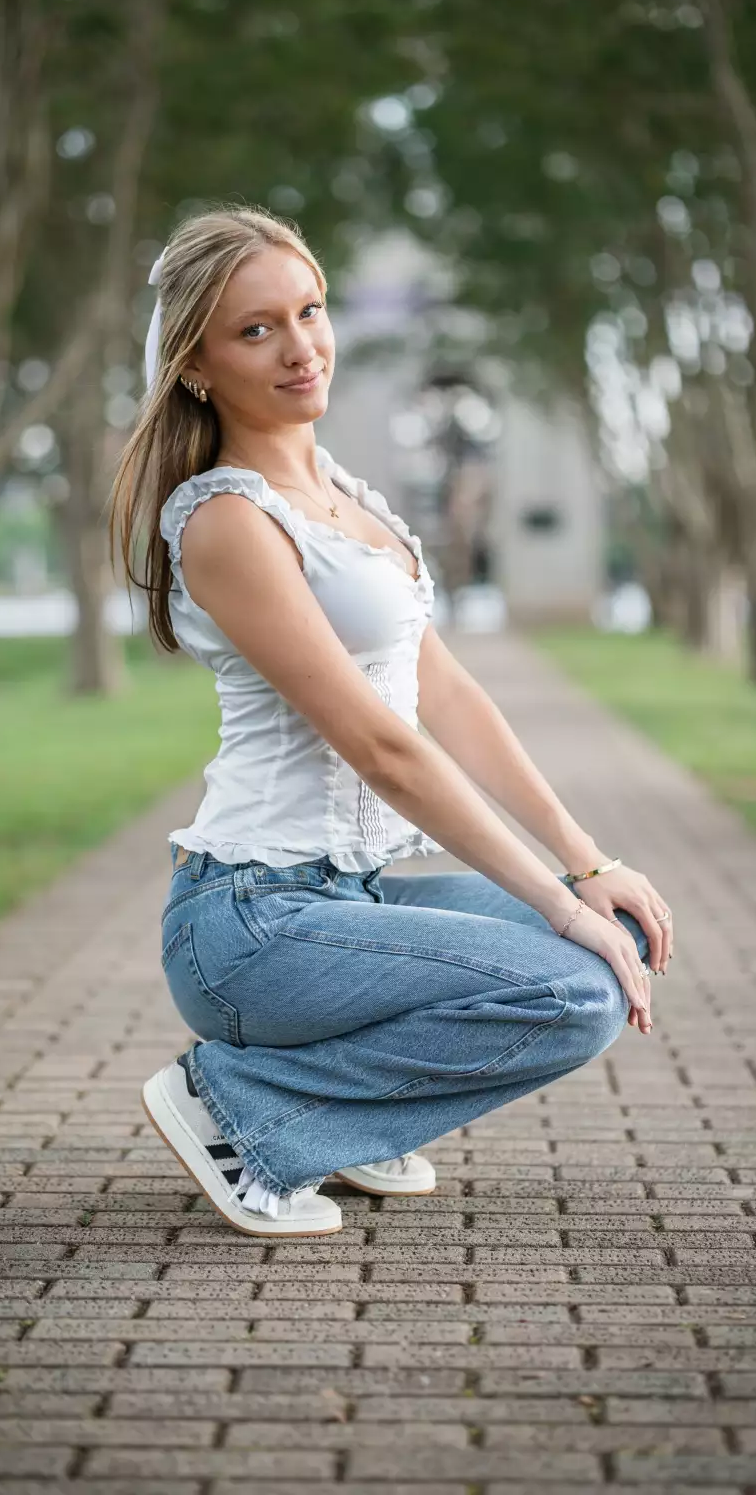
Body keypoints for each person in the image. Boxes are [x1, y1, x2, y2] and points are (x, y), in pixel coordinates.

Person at [108, 203, 673, 1240]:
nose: (299, 348)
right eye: (255, 330)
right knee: (575, 991)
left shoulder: (345, 496)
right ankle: (248, 1110)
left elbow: (450, 696)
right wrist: (557, 909)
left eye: (309, 311)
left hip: (344, 897)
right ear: (196, 364)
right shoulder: (228, 518)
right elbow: (382, 747)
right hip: (251, 927)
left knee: (618, 930)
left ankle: (340, 1118)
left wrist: (587, 867)